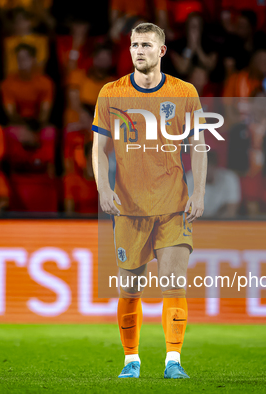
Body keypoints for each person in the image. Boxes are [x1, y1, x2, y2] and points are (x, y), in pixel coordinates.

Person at [92, 22, 207, 379]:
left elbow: (199, 146)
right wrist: (103, 188)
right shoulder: (111, 93)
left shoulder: (184, 91)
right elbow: (99, 149)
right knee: (130, 287)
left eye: (146, 45)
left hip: (174, 204)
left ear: (161, 51)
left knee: (173, 280)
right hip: (129, 207)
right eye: (134, 45)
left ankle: (173, 360)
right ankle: (132, 360)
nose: (138, 50)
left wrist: (199, 191)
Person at [1, 43, 54, 127]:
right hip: (18, 125)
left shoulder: (45, 83)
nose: (22, 61)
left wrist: (36, 128)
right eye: (19, 58)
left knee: (49, 133)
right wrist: (24, 128)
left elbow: (45, 112)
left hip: (39, 125)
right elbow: (11, 113)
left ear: (33, 59)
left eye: (25, 58)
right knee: (12, 132)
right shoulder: (8, 84)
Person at [196, 150, 240, 218]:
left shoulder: (229, 179)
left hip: (221, 223)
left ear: (215, 167)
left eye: (209, 167)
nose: (206, 172)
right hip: (197, 224)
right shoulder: (189, 180)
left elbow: (231, 211)